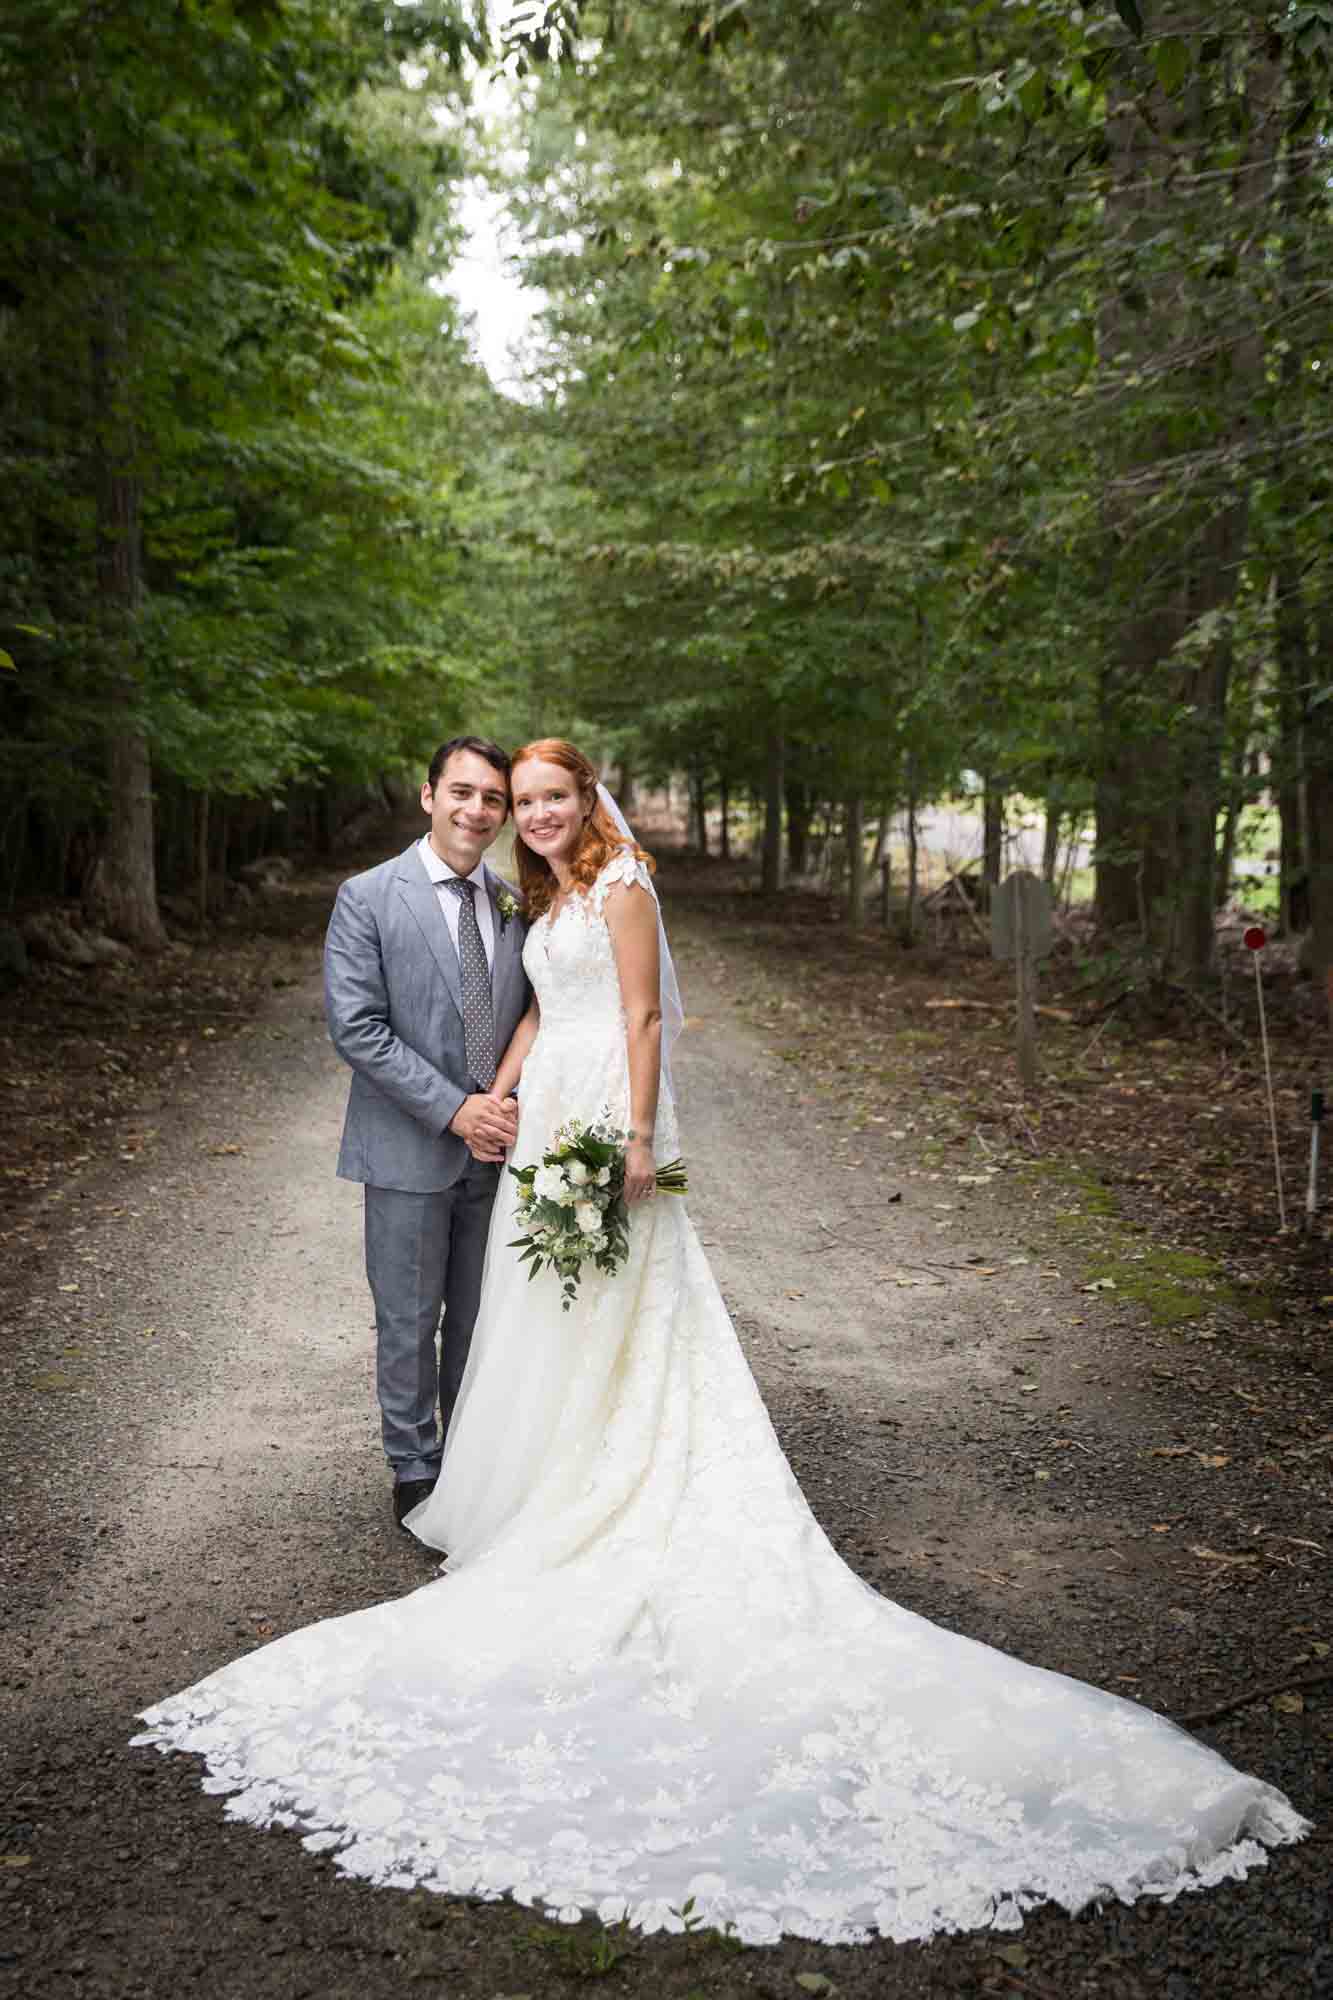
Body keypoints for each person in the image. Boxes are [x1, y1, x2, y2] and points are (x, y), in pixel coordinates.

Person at [136, 740, 1306, 1947]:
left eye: (538, 797)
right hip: (501, 1127)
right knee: (469, 1317)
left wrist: (632, 1135)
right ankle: (464, 1477)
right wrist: (487, 1094)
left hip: (593, 1121)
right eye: (497, 797)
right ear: (438, 799)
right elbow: (443, 1018)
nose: (517, 813)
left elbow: (638, 1009)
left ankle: (602, 1483)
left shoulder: (614, 882)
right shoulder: (452, 892)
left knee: (584, 1310)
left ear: (580, 801)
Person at [321, 736, 531, 1529]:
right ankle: (414, 1468)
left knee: (481, 1318)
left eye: (492, 799)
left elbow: (532, 1018)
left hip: (500, 1151)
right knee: (409, 1319)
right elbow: (358, 1028)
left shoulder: (515, 901)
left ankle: (472, 1460)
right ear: (428, 795)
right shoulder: (368, 897)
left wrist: (505, 1109)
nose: (476, 810)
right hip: (411, 1144)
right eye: (462, 792)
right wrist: (454, 1109)